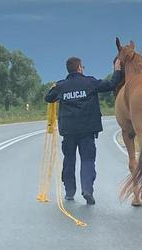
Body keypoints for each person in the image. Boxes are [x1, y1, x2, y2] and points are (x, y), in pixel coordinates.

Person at [45, 57, 122, 205]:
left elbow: (48, 98)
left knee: (69, 160)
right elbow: (111, 84)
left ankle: (69, 191)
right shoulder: (90, 82)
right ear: (79, 68)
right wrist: (117, 70)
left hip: (68, 131)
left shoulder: (61, 86)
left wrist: (54, 89)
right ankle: (87, 190)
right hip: (87, 130)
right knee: (87, 160)